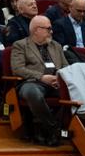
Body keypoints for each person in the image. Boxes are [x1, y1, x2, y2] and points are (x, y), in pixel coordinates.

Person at [8, 15, 70, 146]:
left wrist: (59, 77)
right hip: (32, 82)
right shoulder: (20, 45)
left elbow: (66, 66)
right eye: (48, 29)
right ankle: (53, 128)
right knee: (33, 93)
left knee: (73, 93)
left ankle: (46, 130)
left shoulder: (56, 45)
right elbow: (18, 69)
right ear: (37, 30)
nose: (51, 31)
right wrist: (41, 77)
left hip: (56, 83)